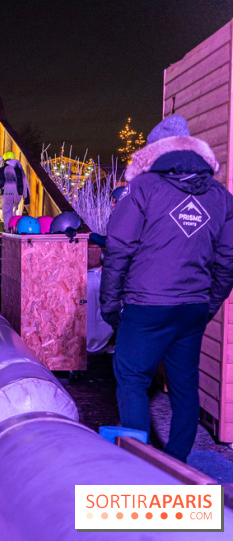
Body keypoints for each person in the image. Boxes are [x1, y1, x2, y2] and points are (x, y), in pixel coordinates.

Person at [100, 114, 233, 462]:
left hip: (146, 306)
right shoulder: (221, 196)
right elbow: (228, 259)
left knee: (132, 380)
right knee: (185, 386)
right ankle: (176, 462)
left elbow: (119, 248)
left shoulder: (143, 188)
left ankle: (140, 463)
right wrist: (209, 305)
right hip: (192, 308)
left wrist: (109, 304)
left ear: (155, 151)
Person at [0, 151, 30, 229]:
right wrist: (26, 199)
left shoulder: (3, 169)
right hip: (18, 194)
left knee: (7, 213)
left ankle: (8, 230)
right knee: (14, 212)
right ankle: (14, 228)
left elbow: (0, 182)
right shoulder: (19, 169)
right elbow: (24, 182)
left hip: (7, 193)